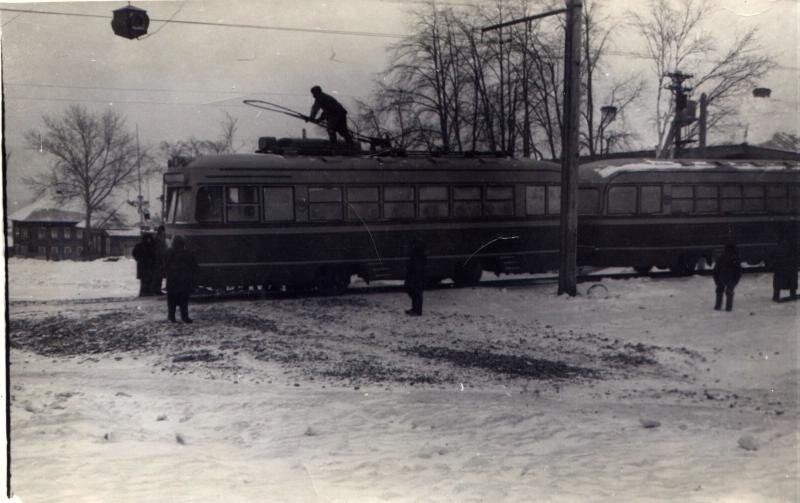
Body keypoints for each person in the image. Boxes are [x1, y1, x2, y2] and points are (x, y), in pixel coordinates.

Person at [165, 235, 198, 323]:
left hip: (172, 280)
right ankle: (185, 317)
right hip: (184, 280)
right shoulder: (187, 253)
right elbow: (194, 266)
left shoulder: (169, 252)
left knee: (172, 300)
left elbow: (165, 265)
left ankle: (171, 317)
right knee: (184, 300)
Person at [713, 243, 742, 312]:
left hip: (721, 276)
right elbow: (739, 271)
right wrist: (736, 280)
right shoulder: (735, 259)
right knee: (729, 291)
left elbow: (716, 270)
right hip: (731, 277)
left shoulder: (721, 258)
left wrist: (716, 280)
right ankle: (728, 307)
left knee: (720, 289)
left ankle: (718, 306)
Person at [770, 237, 798, 302]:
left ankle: (776, 295)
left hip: (781, 247)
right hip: (787, 252)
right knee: (791, 275)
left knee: (780, 276)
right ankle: (792, 294)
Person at [404, 239, 427, 316]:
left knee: (417, 292)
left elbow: (419, 265)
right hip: (414, 274)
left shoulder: (419, 253)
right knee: (413, 291)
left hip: (417, 275)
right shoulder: (416, 252)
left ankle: (417, 311)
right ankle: (415, 309)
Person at [150, 225, 167, 295]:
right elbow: (159, 250)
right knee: (158, 276)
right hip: (158, 259)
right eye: (163, 231)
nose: (164, 232)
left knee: (159, 276)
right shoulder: (158, 238)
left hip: (160, 259)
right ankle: (156, 290)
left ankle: (157, 289)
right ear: (161, 231)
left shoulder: (160, 238)